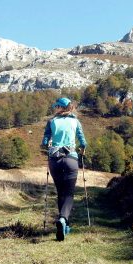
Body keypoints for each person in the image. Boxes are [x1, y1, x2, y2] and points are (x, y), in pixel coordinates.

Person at [41, 97, 87, 241]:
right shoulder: (75, 122)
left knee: (61, 192)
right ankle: (63, 219)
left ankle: (65, 225)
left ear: (61, 107)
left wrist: (47, 145)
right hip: (71, 159)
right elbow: (83, 141)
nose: (55, 109)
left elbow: (44, 141)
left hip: (54, 160)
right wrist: (82, 149)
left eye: (57, 106)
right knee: (69, 193)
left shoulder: (51, 122)